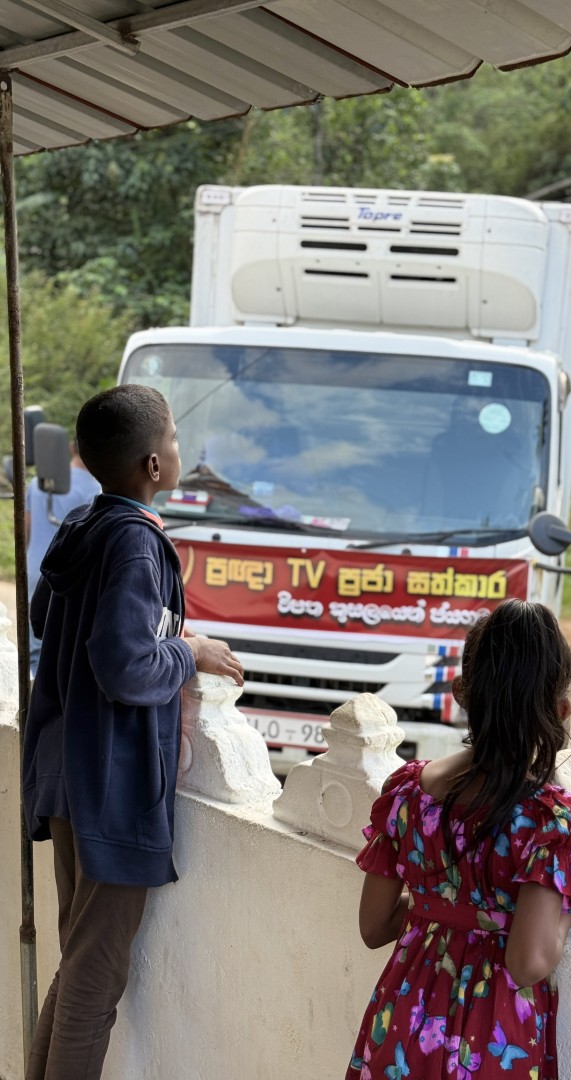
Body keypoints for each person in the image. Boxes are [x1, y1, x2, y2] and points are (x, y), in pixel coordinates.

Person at [22, 385, 244, 1080]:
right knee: (95, 983)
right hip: (110, 784)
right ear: (154, 464)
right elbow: (124, 665)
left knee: (78, 967)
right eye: (173, 438)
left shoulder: (82, 525)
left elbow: (45, 615)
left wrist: (167, 631)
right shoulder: (139, 543)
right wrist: (190, 651)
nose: (179, 448)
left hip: (65, 771)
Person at [346, 599, 571, 1080]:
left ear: (461, 693)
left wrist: (440, 905)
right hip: (491, 1040)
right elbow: (527, 962)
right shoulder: (551, 821)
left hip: (403, 1022)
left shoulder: (408, 793)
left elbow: (373, 927)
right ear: (561, 710)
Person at [25, 438, 100, 677]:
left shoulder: (38, 483)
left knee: (34, 653)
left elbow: (25, 532)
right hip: (64, 586)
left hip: (32, 575)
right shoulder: (96, 492)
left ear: (71, 447)